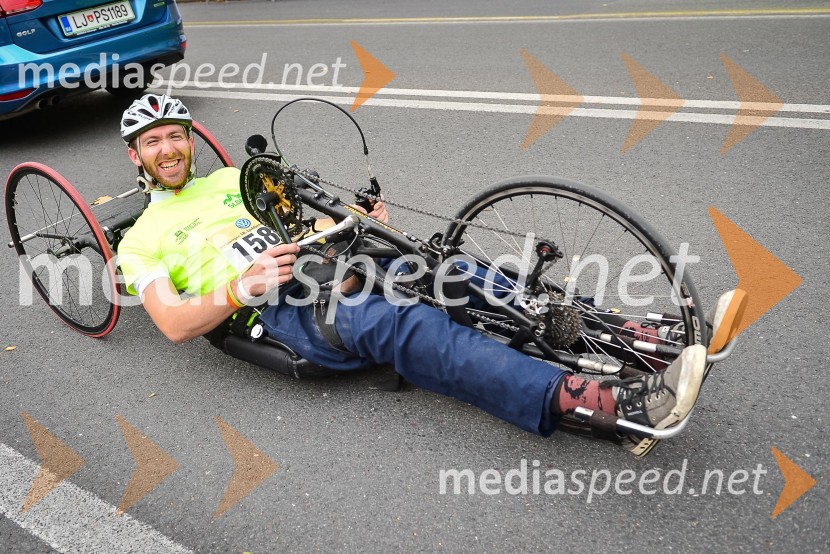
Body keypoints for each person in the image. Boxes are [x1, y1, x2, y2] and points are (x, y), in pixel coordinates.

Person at [117, 94, 737, 457]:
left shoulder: (230, 180)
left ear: (192, 141)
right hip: (278, 308)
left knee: (455, 272)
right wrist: (239, 287)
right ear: (136, 154)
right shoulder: (141, 239)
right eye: (154, 142)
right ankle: (616, 405)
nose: (169, 149)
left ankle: (647, 339)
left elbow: (294, 218)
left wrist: (360, 218)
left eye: (177, 136)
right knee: (404, 323)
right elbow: (172, 323)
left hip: (325, 256)